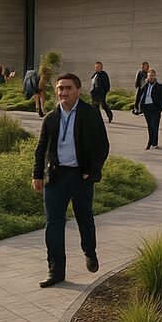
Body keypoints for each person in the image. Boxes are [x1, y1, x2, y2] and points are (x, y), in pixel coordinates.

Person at [32, 73, 110, 287]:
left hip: (81, 177)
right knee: (53, 224)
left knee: (84, 218)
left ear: (78, 90)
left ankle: (89, 251)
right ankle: (56, 271)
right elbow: (41, 149)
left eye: (68, 88)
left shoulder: (90, 114)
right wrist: (37, 175)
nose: (63, 92)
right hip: (56, 177)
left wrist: (92, 171)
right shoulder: (51, 117)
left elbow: (102, 146)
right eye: (60, 88)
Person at [136, 68, 162, 149]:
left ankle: (154, 143)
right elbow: (139, 96)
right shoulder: (144, 86)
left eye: (153, 76)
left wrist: (161, 108)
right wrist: (138, 107)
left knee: (154, 126)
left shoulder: (161, 87)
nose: (151, 77)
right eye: (150, 76)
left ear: (155, 76)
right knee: (150, 126)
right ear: (147, 77)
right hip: (146, 108)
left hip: (155, 108)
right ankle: (151, 141)